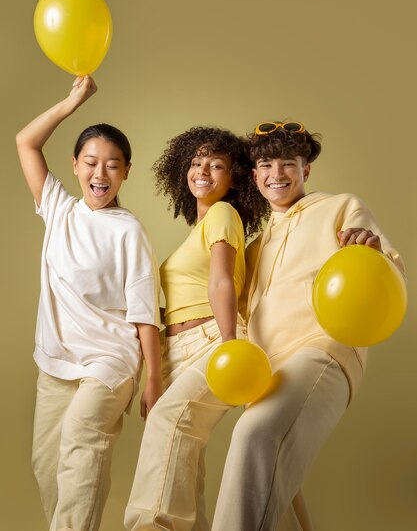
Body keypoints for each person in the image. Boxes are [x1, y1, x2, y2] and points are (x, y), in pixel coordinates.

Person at [210, 120, 406, 531]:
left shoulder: (340, 207)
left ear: (306, 170)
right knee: (276, 501)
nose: (276, 174)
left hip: (323, 351)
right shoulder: (256, 244)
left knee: (253, 436)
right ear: (255, 173)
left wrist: (371, 249)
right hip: (267, 374)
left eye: (288, 163)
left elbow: (386, 263)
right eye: (265, 165)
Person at [16, 76, 162, 531]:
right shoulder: (58, 208)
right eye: (92, 163)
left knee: (81, 446)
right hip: (57, 361)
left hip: (110, 361)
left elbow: (144, 310)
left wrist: (152, 377)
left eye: (113, 166)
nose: (101, 175)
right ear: (75, 165)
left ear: (126, 172)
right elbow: (25, 141)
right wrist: (71, 101)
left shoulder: (129, 231)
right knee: (47, 466)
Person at [125, 126, 266, 531]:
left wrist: (229, 346)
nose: (202, 170)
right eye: (196, 161)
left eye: (217, 164)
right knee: (185, 456)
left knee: (171, 423)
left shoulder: (223, 213)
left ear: (234, 177)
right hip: (178, 349)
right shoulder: (199, 229)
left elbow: (222, 282)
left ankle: (150, 527)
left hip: (211, 339)